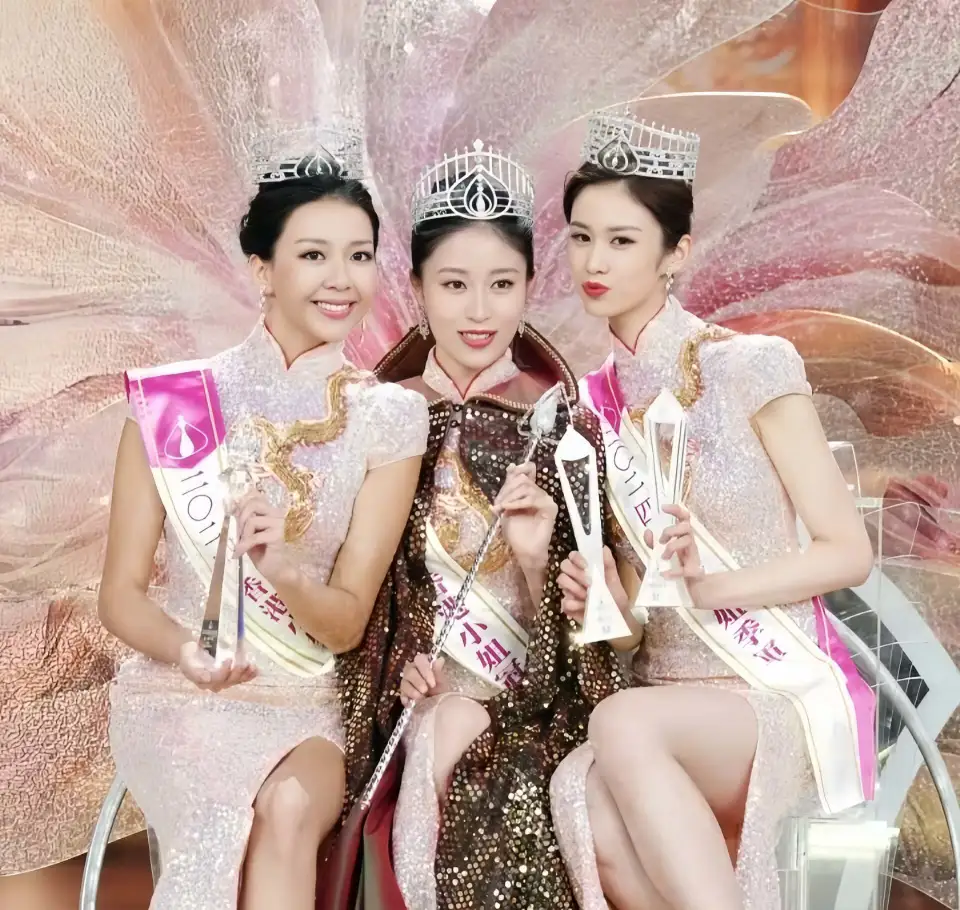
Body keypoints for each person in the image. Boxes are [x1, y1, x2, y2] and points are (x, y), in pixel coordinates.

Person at [549, 114, 878, 910]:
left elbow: (847, 552)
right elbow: (634, 626)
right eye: (582, 238)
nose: (594, 262)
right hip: (661, 700)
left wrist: (709, 587)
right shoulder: (582, 412)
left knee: (620, 727)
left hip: (775, 694)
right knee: (579, 788)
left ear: (677, 253)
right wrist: (604, 601)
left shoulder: (751, 367)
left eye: (622, 240)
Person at [97, 134, 428, 910]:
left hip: (304, 702)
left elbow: (345, 623)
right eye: (313, 255)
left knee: (287, 811)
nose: (342, 279)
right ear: (262, 271)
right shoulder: (174, 402)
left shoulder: (389, 417)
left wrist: (282, 568)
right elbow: (119, 596)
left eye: (359, 256)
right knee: (219, 824)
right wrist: (190, 654)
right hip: (182, 696)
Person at [336, 142, 626, 910]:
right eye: (454, 284)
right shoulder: (378, 426)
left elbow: (603, 639)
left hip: (543, 708)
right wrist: (402, 671)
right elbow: (355, 606)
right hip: (419, 710)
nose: (478, 311)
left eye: (501, 285)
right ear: (417, 288)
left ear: (529, 286)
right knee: (448, 732)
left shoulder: (569, 435)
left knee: (504, 765)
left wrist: (537, 566)